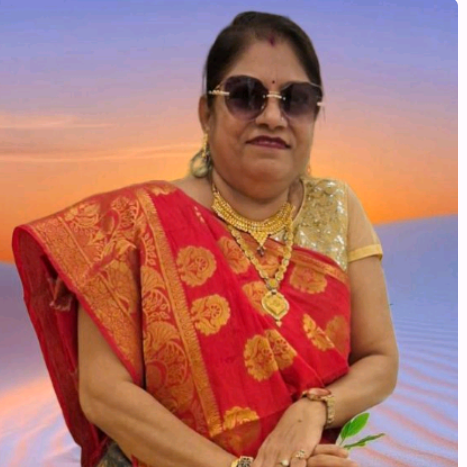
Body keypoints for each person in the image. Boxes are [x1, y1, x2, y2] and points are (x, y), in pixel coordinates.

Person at [11, 11, 398, 467]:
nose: (272, 116)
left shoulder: (337, 206)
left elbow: (380, 360)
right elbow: (103, 394)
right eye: (245, 95)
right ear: (206, 114)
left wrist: (314, 410)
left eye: (296, 99)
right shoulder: (132, 223)